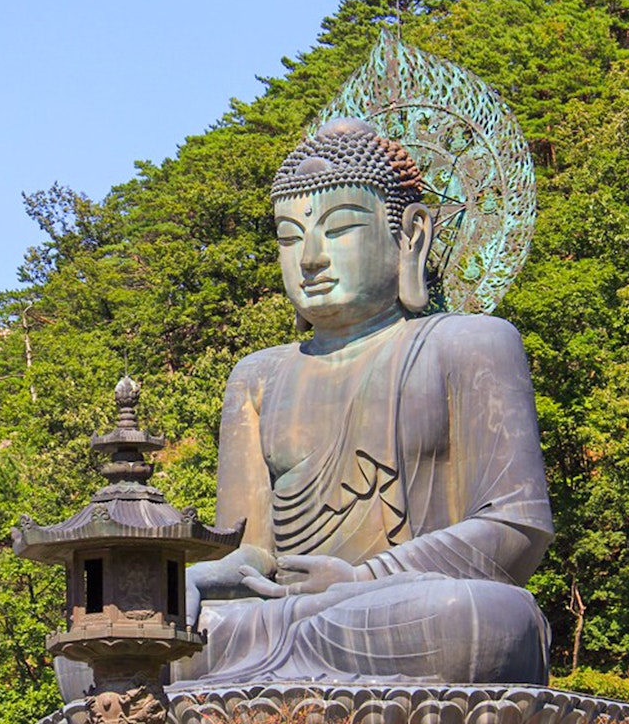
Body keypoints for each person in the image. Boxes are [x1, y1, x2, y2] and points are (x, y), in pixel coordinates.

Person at [176, 118, 553, 685]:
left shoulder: (470, 342)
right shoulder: (257, 376)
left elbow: (517, 530)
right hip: (280, 616)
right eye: (288, 235)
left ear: (412, 235)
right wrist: (200, 579)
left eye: (340, 228)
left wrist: (363, 579)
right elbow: (251, 551)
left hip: (401, 608)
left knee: (480, 618)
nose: (309, 258)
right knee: (131, 644)